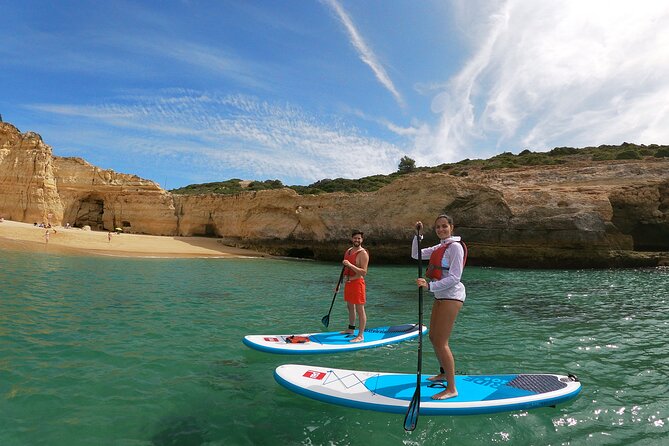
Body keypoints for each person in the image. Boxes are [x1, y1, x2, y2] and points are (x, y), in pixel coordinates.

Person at [412, 215, 468, 400]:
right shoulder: (440, 247)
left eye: (445, 226)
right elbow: (416, 254)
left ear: (452, 227)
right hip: (441, 296)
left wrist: (429, 286)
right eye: (438, 227)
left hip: (452, 297)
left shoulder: (455, 248)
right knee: (434, 337)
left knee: (442, 342)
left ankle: (452, 388)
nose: (441, 229)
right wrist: (417, 236)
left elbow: (455, 277)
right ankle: (443, 373)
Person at [340, 230, 369, 343]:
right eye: (355, 238)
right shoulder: (348, 251)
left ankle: (360, 335)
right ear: (352, 239)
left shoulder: (363, 253)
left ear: (362, 240)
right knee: (350, 307)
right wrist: (339, 284)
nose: (357, 240)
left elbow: (364, 272)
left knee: (360, 309)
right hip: (348, 283)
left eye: (359, 238)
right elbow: (345, 269)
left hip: (357, 284)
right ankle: (351, 329)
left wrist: (350, 265)